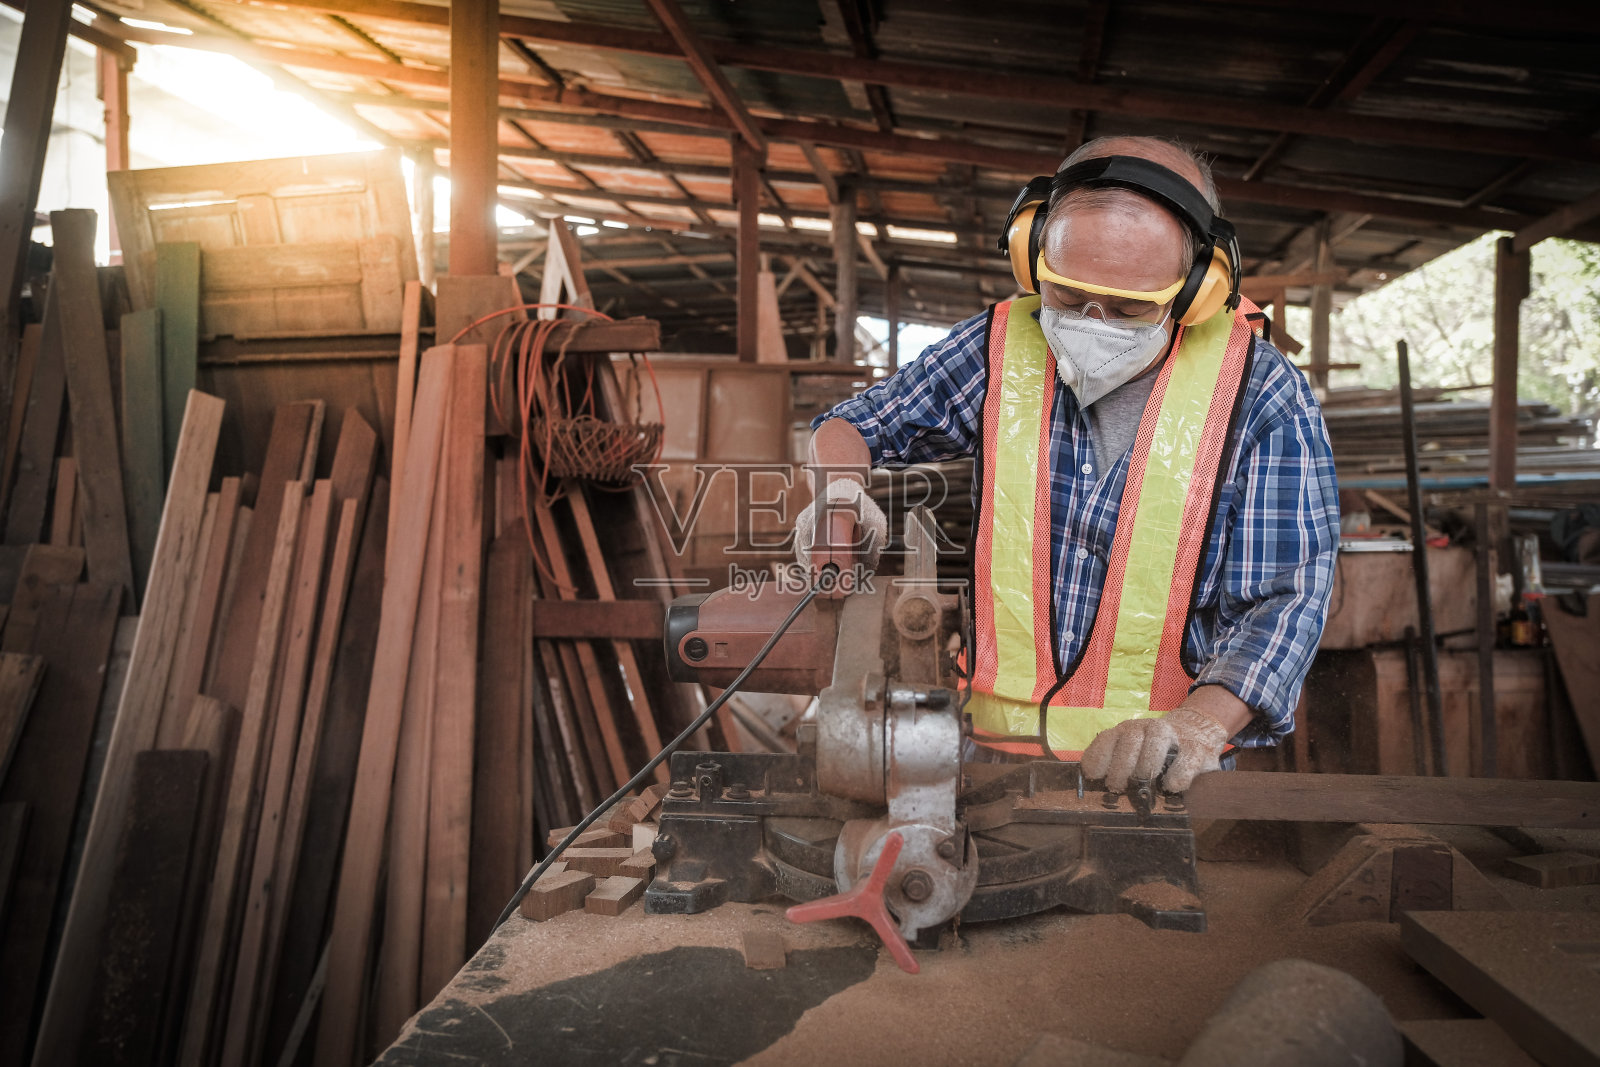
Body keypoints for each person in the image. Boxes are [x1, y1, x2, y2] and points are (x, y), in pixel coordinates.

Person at [799, 135, 1339, 795]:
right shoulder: (1000, 345)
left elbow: (1287, 597)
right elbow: (856, 424)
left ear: (1198, 287)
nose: (1093, 322)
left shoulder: (1260, 390)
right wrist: (842, 495)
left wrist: (1197, 724)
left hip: (1158, 783)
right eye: (1067, 293)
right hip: (983, 767)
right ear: (1032, 254)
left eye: (1129, 306)